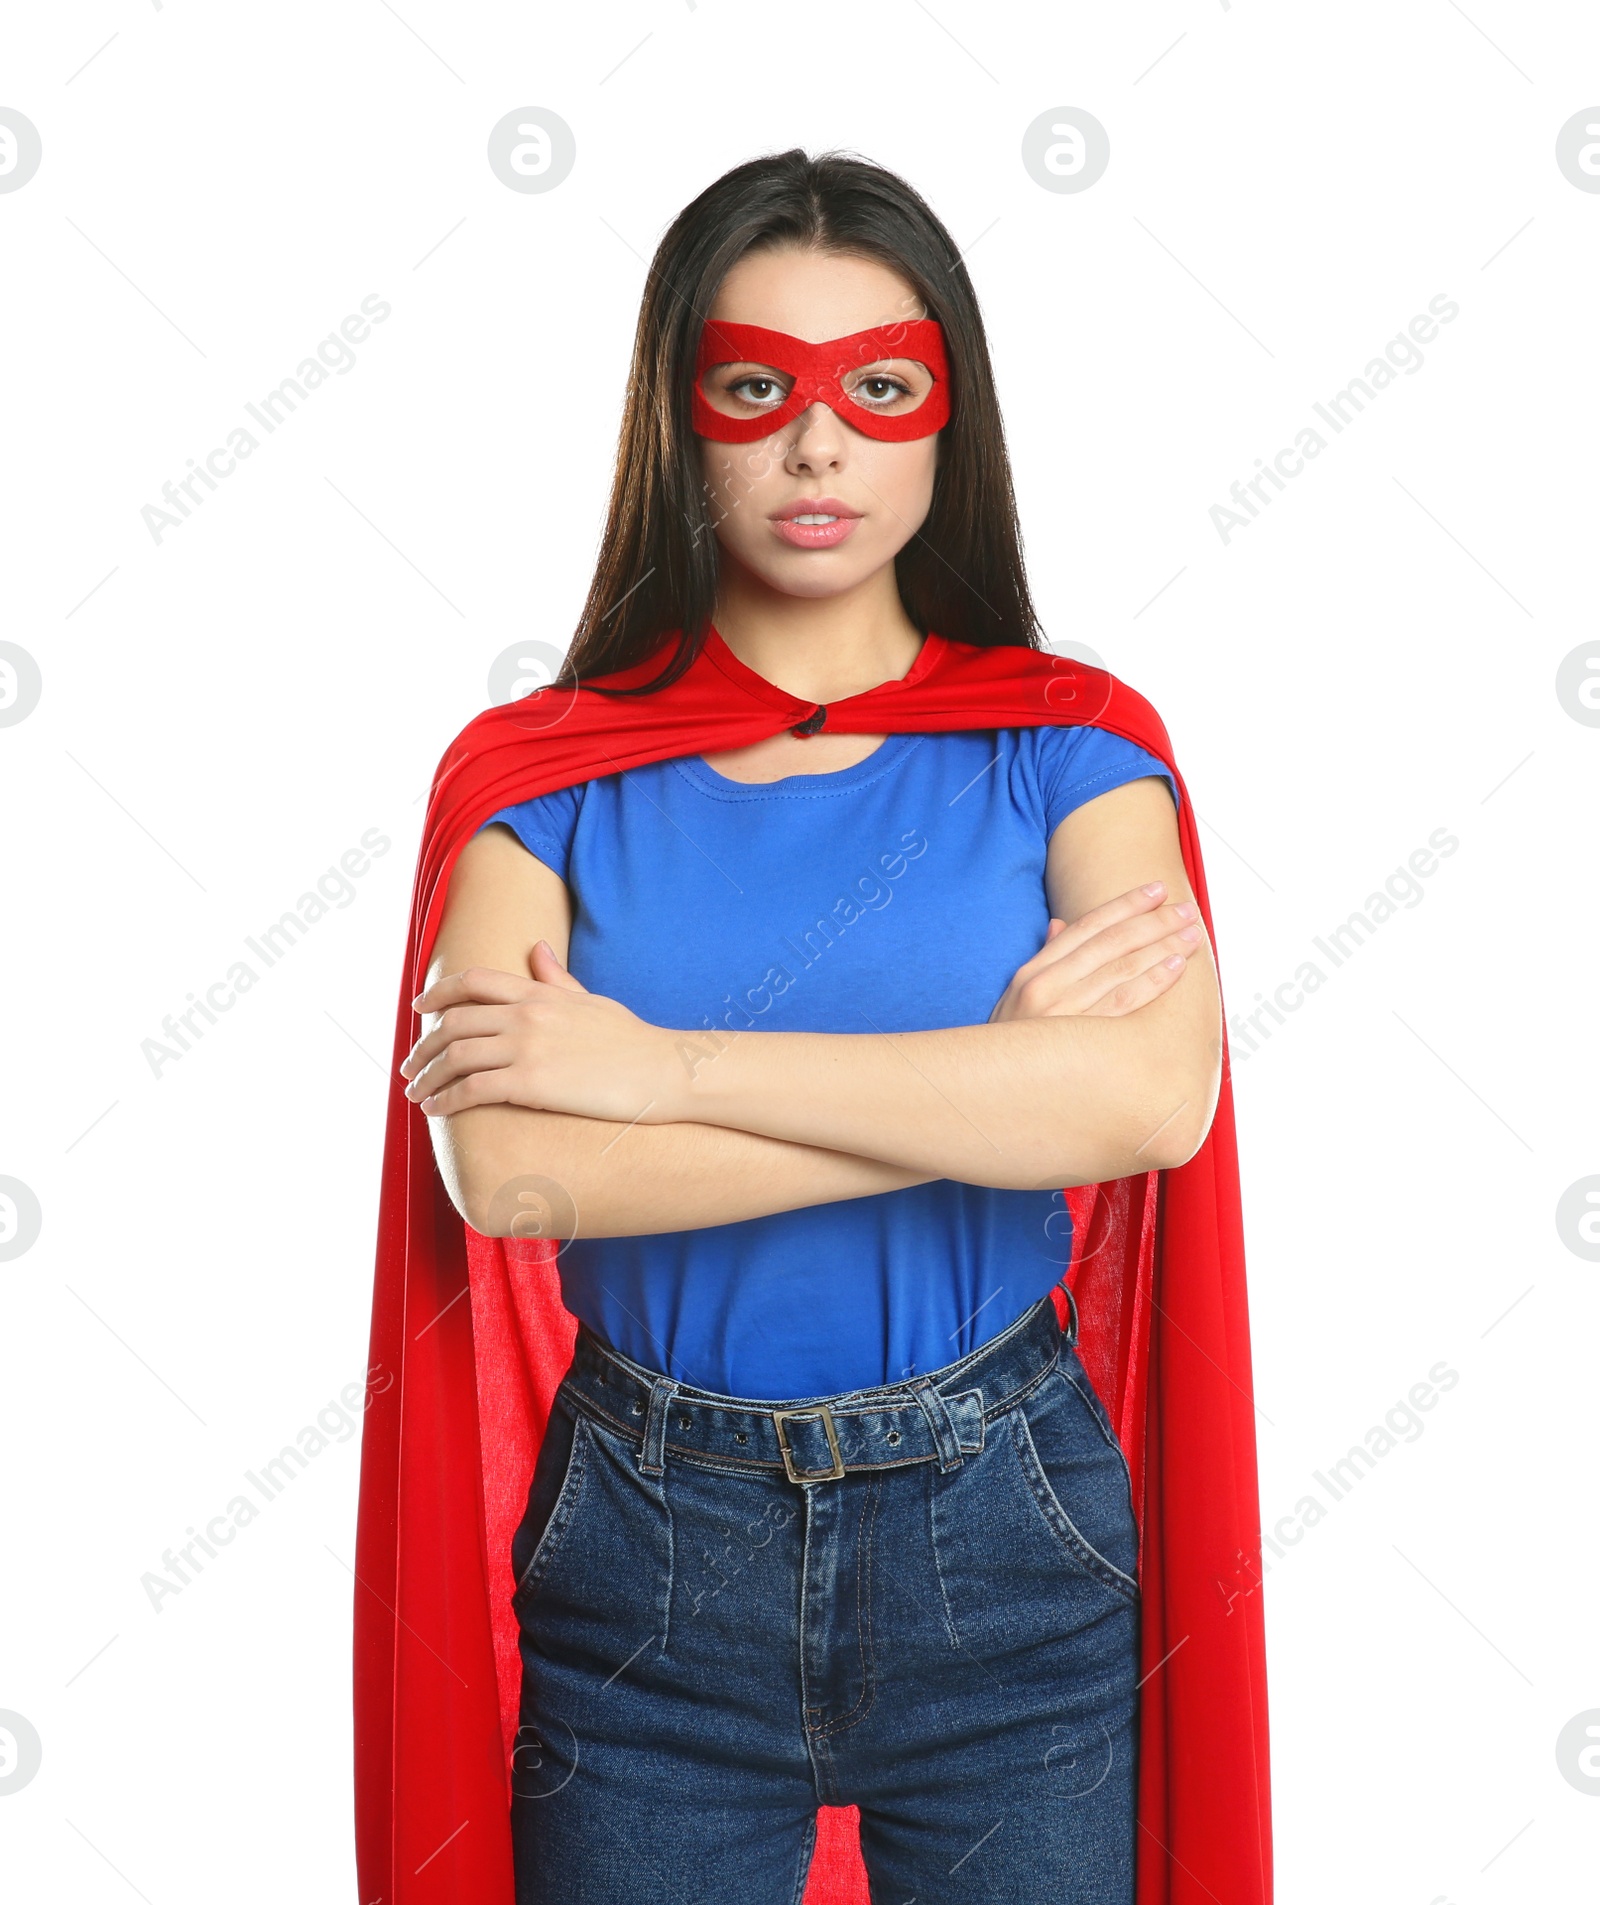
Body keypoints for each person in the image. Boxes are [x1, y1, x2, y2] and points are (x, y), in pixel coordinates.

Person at [392, 150, 1229, 1904]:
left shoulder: (1073, 744)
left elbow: (1150, 1100)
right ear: (679, 416)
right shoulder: (540, 775)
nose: (818, 444)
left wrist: (656, 1070)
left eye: (881, 387)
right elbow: (520, 1173)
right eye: (758, 386)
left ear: (948, 418)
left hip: (1005, 1520)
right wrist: (989, 1079)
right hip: (647, 1546)